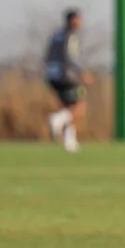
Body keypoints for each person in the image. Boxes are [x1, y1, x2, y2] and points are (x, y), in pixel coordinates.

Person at [43, 9, 93, 152]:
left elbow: (48, 55)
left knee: (67, 108)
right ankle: (56, 120)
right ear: (71, 20)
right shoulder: (71, 36)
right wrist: (82, 72)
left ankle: (69, 141)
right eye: (78, 20)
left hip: (52, 76)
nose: (80, 23)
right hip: (66, 75)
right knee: (79, 106)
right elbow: (71, 57)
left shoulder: (56, 35)